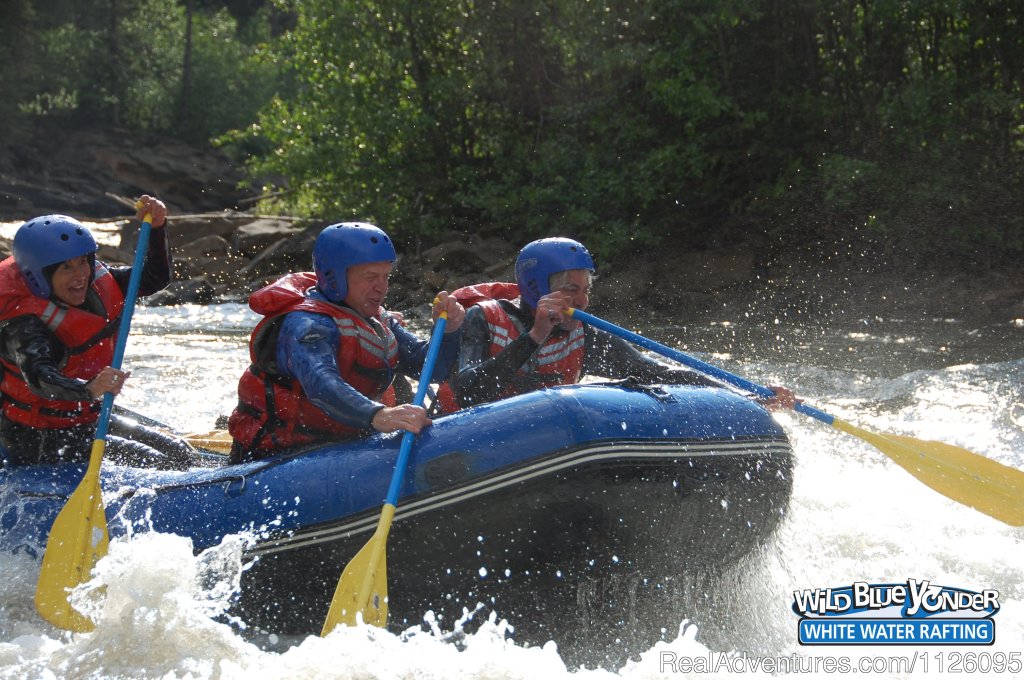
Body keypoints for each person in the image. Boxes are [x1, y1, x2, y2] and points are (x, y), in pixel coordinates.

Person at [437, 237, 796, 412]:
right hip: (469, 441)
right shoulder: (482, 318)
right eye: (570, 290)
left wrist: (747, 400)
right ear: (536, 289)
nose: (582, 301)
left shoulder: (581, 333)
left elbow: (657, 372)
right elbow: (469, 390)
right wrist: (535, 337)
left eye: (585, 290)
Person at [227, 222, 466, 463]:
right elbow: (321, 383)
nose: (381, 288)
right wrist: (380, 415)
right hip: (275, 457)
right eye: (370, 277)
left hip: (342, 444)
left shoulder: (377, 319)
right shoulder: (307, 324)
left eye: (385, 276)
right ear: (334, 277)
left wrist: (448, 331)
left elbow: (430, 368)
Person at [0, 196, 193, 468]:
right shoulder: (24, 324)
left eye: (82, 262)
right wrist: (89, 389)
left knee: (178, 450)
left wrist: (158, 227)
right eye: (66, 267)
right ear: (39, 275)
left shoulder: (96, 283)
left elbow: (152, 279)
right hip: (37, 434)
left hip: (85, 417)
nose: (80, 274)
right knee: (155, 461)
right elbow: (40, 378)